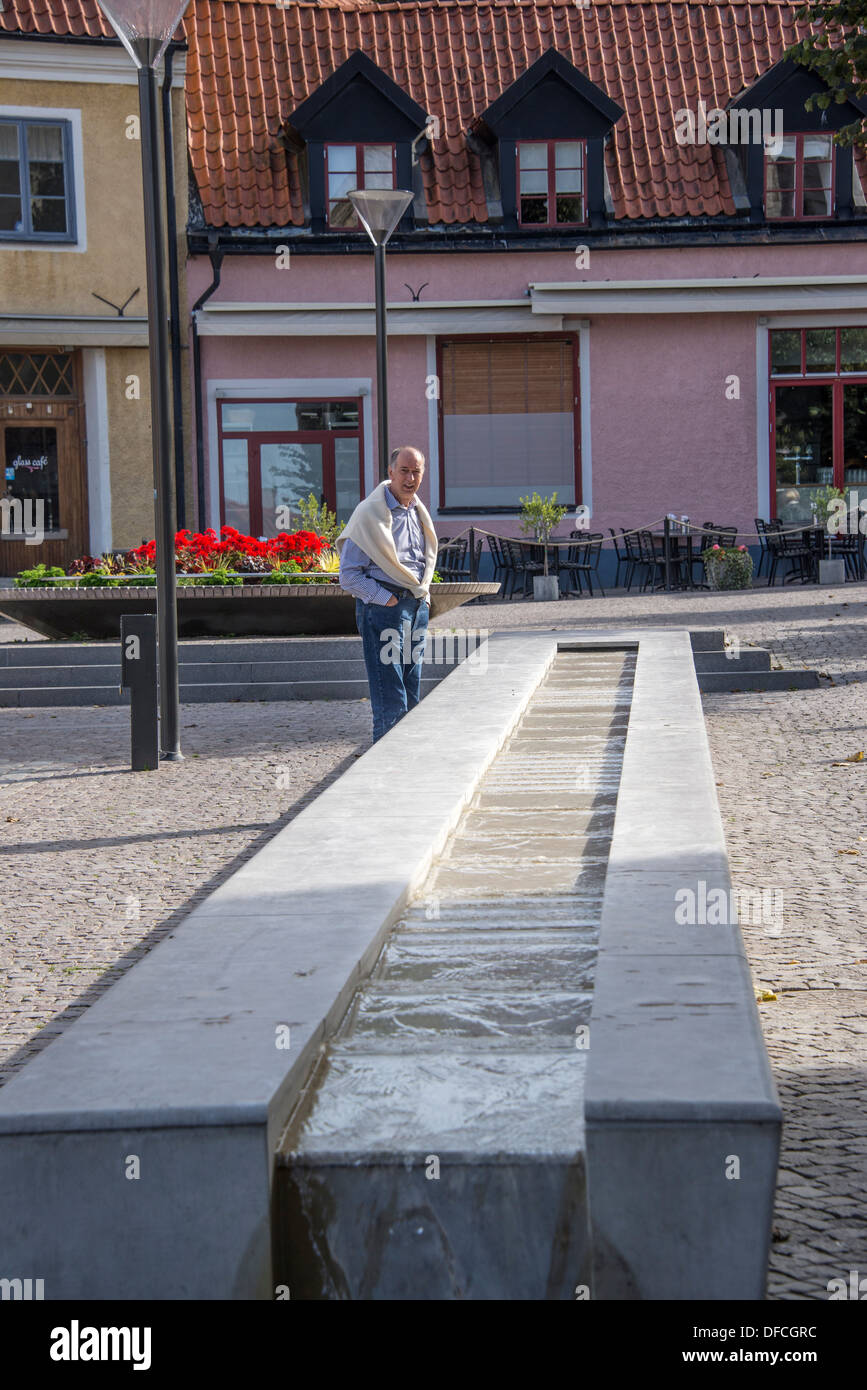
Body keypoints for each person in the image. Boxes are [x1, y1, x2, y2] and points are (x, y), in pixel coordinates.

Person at [336, 446, 439, 742]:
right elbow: (349, 575)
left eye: (416, 471)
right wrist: (387, 599)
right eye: (404, 471)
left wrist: (423, 596)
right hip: (385, 608)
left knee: (410, 682)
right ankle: (387, 756)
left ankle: (407, 750)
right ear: (390, 472)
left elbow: (423, 560)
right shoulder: (369, 514)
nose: (410, 478)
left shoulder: (418, 511)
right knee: (389, 687)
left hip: (416, 605)